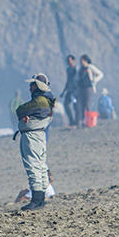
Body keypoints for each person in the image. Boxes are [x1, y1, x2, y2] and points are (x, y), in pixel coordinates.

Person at [15, 73, 55, 211]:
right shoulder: (46, 101)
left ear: (37, 86)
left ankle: (36, 200)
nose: (30, 88)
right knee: (41, 166)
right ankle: (40, 199)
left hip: (33, 138)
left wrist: (24, 115)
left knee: (33, 166)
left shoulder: (40, 101)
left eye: (32, 84)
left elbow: (20, 109)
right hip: (40, 137)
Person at [77, 55, 102, 123]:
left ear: (85, 60)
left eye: (82, 61)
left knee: (87, 104)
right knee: (81, 105)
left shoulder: (90, 67)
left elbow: (100, 74)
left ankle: (89, 120)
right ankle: (83, 120)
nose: (81, 62)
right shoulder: (80, 68)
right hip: (81, 88)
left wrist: (94, 80)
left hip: (89, 88)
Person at [63, 55, 78, 127]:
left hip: (75, 90)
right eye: (67, 61)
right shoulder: (68, 70)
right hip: (69, 90)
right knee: (66, 105)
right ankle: (72, 120)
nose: (68, 62)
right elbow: (68, 80)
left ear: (73, 60)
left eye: (69, 60)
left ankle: (77, 121)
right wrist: (64, 91)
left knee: (76, 106)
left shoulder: (76, 69)